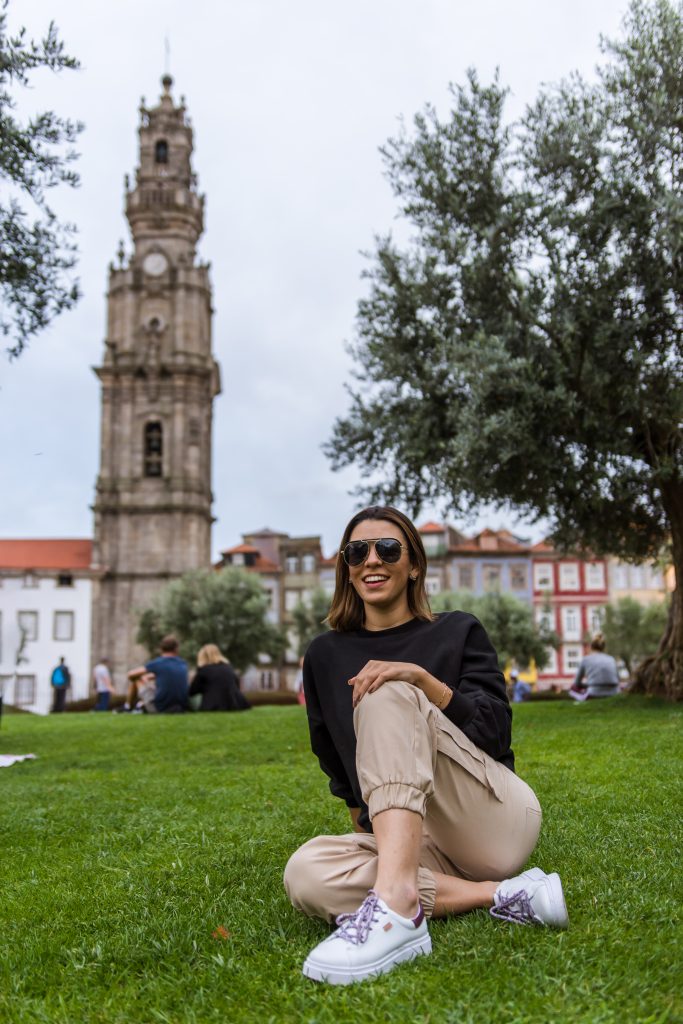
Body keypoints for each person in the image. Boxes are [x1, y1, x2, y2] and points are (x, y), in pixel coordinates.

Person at [284, 506, 568, 986]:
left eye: (387, 549)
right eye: (357, 551)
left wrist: (419, 681)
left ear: (414, 564)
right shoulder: (324, 655)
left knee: (387, 689)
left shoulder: (458, 630)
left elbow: (494, 733)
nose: (371, 560)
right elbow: (342, 773)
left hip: (490, 819)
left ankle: (397, 909)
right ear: (347, 568)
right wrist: (377, 843)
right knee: (306, 872)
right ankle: (501, 896)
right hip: (413, 840)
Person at [126, 635, 189, 713]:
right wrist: (149, 678)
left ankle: (128, 707)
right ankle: (135, 707)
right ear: (176, 649)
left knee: (137, 680)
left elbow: (130, 674)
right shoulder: (182, 663)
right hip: (181, 707)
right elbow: (166, 674)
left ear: (161, 649)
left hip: (160, 708)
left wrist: (140, 678)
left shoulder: (158, 663)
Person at [189, 644, 250, 711]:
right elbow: (236, 685)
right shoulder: (228, 668)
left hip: (213, 705)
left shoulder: (204, 670)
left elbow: (192, 691)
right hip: (235, 704)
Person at [568, 633, 620, 702]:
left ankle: (582, 700)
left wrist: (590, 684)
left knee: (573, 688)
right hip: (614, 692)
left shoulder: (586, 659)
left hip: (594, 693)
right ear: (603, 648)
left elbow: (577, 683)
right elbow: (618, 679)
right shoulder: (611, 659)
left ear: (591, 647)